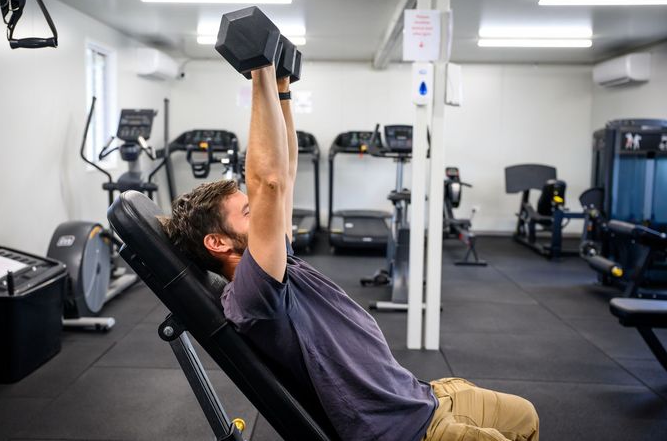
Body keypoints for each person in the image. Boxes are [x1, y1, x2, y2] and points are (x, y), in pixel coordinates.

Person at [160, 65, 539, 441]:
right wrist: (259, 70)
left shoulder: (278, 263)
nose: (262, 215)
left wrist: (282, 88)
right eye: (248, 212)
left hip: (420, 395)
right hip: (405, 430)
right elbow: (268, 182)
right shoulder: (253, 295)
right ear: (218, 243)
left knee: (524, 416)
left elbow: (285, 173)